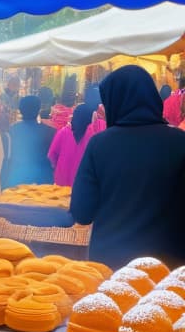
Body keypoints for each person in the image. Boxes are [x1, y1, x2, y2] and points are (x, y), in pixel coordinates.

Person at [71, 64, 185, 269]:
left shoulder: (99, 145)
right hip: (169, 268)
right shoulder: (180, 142)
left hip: (110, 267)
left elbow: (81, 212)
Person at [2, 95, 57, 187]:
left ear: (20, 110)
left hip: (17, 178)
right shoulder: (50, 132)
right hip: (43, 180)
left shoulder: (11, 130)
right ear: (39, 109)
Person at [48, 104, 95, 187]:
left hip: (61, 182)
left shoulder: (63, 132)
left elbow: (52, 155)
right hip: (82, 184)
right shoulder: (92, 135)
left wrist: (58, 168)